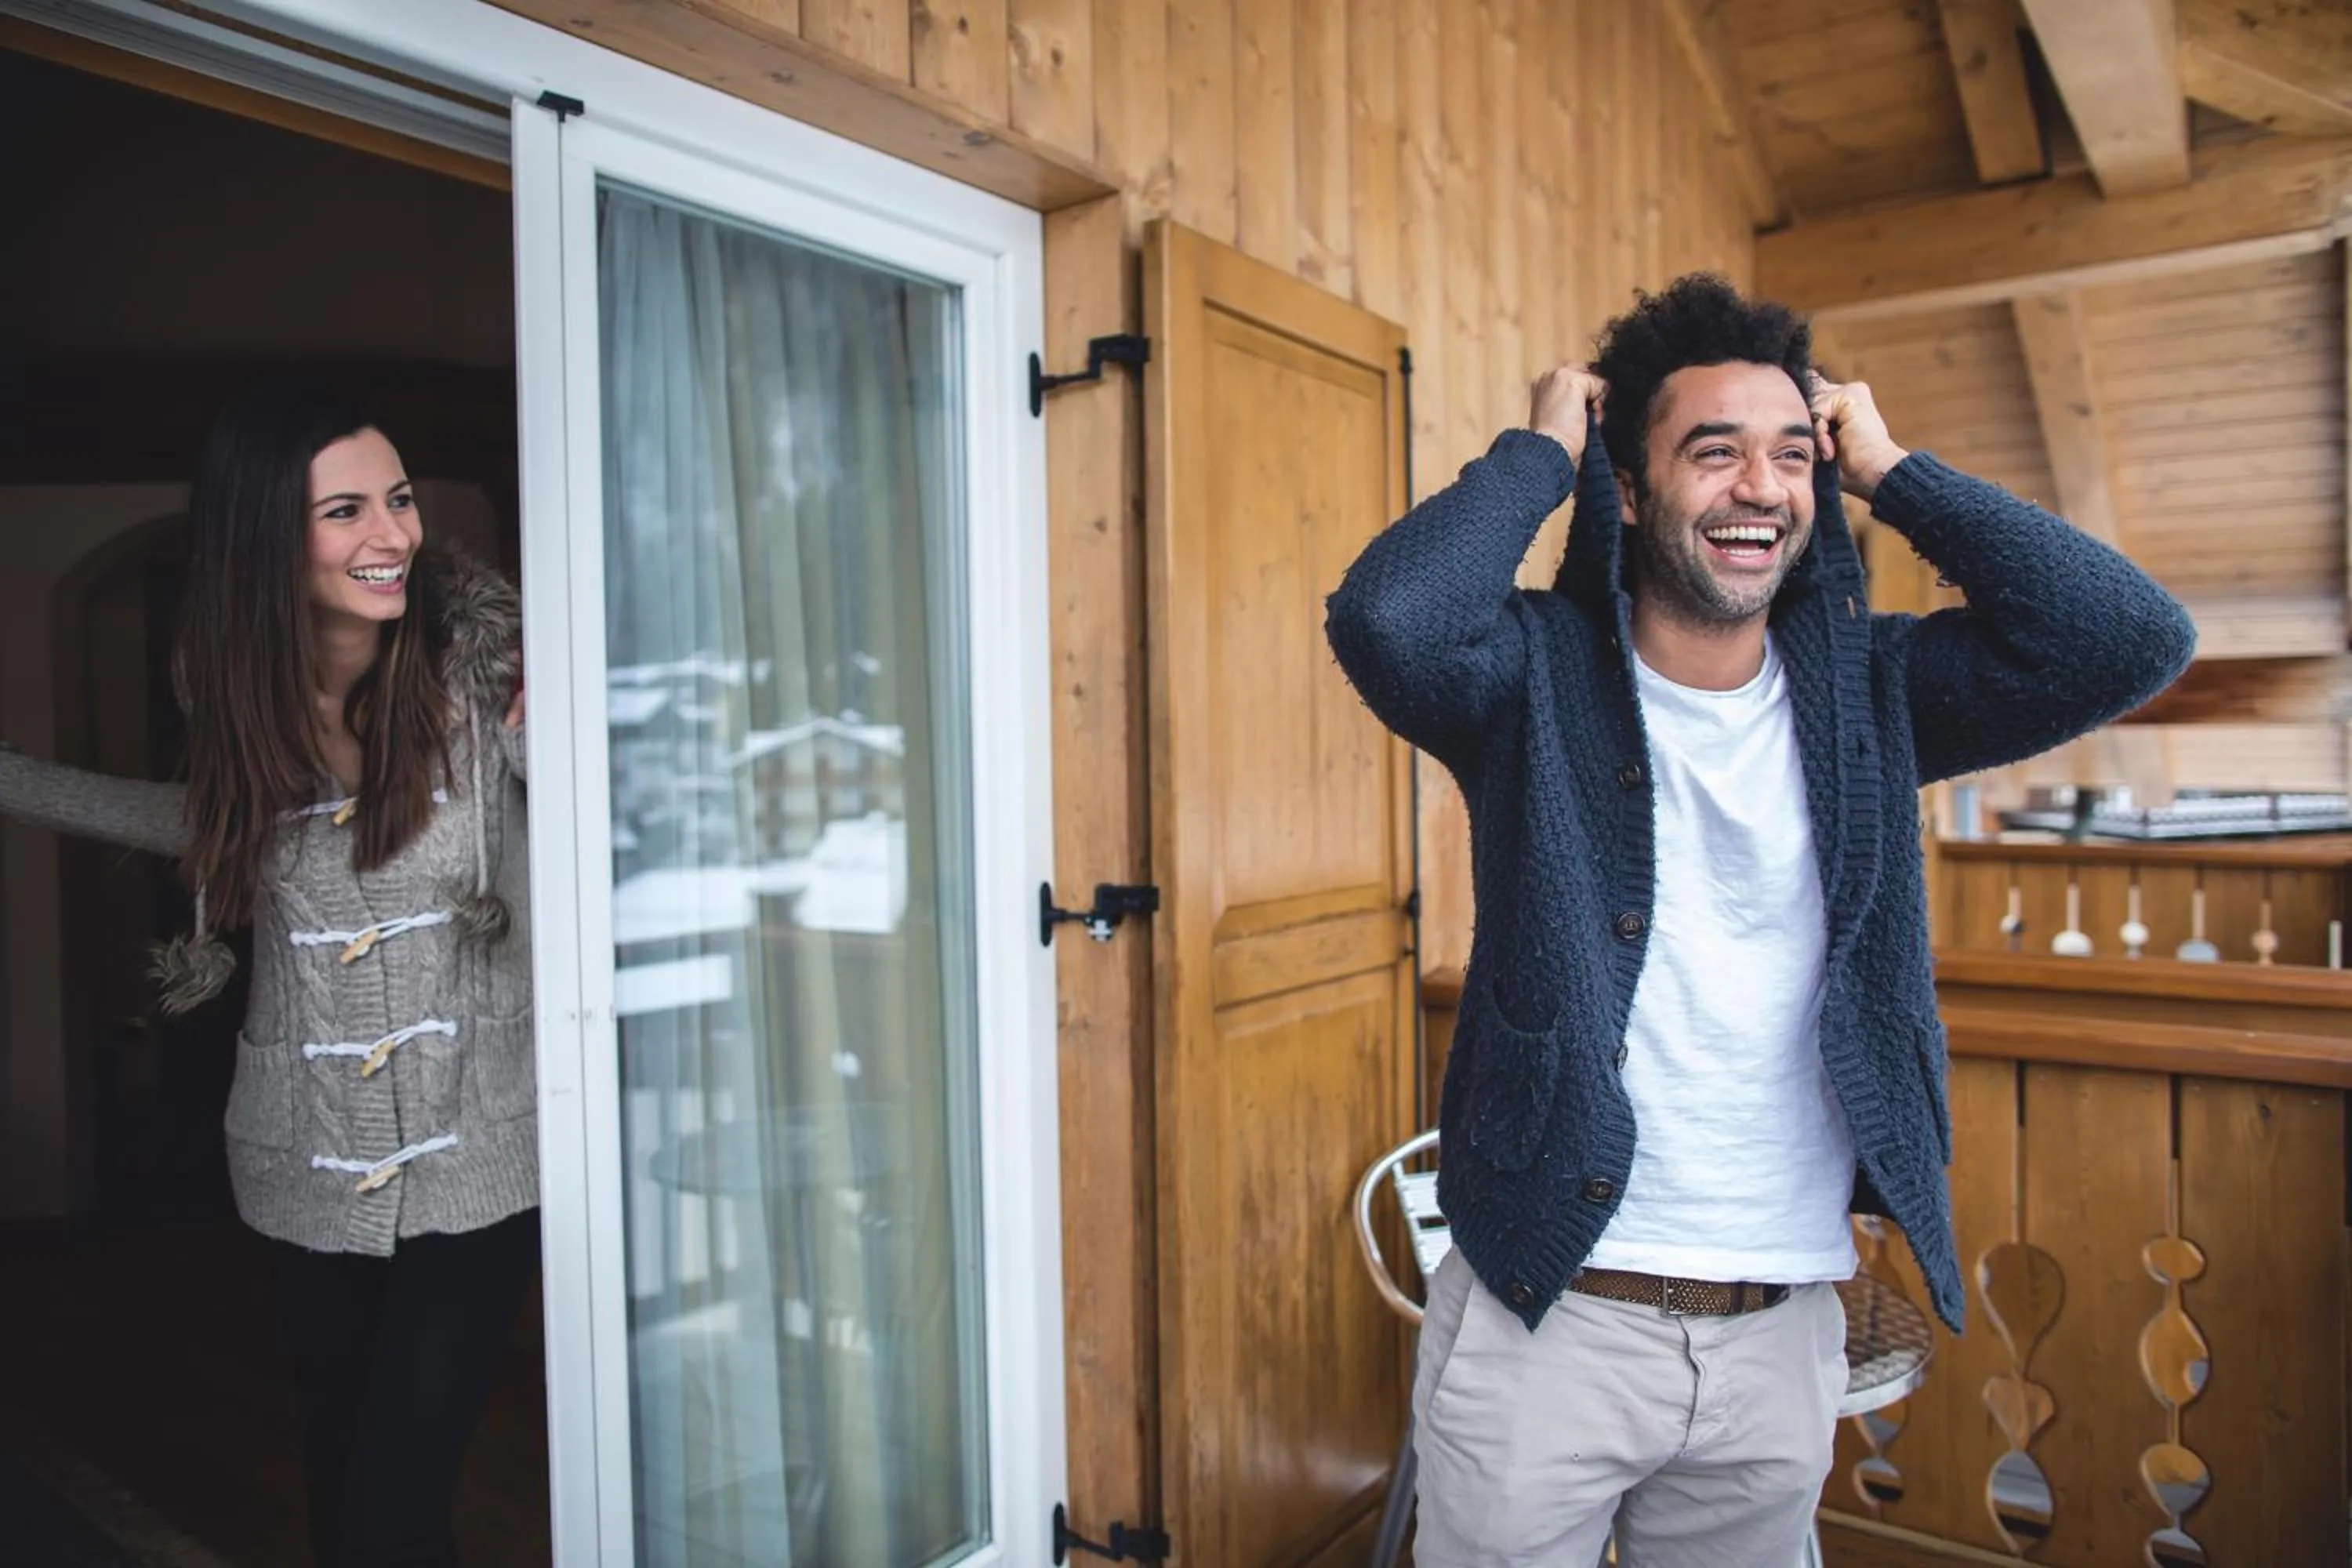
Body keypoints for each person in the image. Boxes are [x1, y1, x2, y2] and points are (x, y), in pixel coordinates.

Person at [1325, 274, 2194, 1565]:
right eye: (1713, 451)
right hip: (1549, 1313)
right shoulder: (1529, 675)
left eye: (1794, 454)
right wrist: (1535, 457)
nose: (1763, 487)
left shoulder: (1878, 692)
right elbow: (1387, 617)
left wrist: (1892, 469)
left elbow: (2129, 635)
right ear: (1630, 487)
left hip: (1784, 1321)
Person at [0, 385, 537, 1568]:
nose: (390, 534)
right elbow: (220, 826)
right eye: (343, 510)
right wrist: (18, 782)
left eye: (396, 500)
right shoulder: (223, 682)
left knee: (393, 1512)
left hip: (481, 1150)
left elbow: (602, 800)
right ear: (263, 538)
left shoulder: (480, 667)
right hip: (305, 1152)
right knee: (344, 1476)